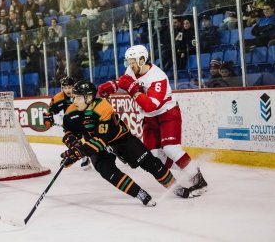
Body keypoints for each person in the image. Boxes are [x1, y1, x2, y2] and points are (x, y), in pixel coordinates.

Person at [97, 45, 208, 197]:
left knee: (170, 149)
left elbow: (150, 105)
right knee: (154, 157)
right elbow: (125, 82)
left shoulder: (157, 77)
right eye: (128, 62)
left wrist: (133, 90)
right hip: (149, 118)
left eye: (133, 61)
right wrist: (113, 85)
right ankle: (190, 167)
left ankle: (199, 180)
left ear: (142, 60)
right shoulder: (132, 70)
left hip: (167, 114)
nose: (130, 65)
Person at [60, 81, 191, 207]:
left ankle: (175, 186)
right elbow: (68, 133)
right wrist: (73, 148)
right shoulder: (71, 111)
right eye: (73, 97)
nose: (74, 101)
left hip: (120, 139)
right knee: (106, 170)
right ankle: (139, 193)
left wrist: (78, 153)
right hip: (95, 144)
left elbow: (101, 140)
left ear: (88, 97)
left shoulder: (103, 108)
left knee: (149, 161)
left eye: (77, 98)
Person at [43, 77, 92, 170]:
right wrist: (48, 118)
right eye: (65, 88)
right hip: (72, 122)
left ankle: (111, 149)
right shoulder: (58, 97)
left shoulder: (81, 94)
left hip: (87, 119)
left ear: (74, 86)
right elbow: (50, 111)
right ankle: (83, 156)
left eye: (69, 87)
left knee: (93, 138)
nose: (67, 90)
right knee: (69, 139)